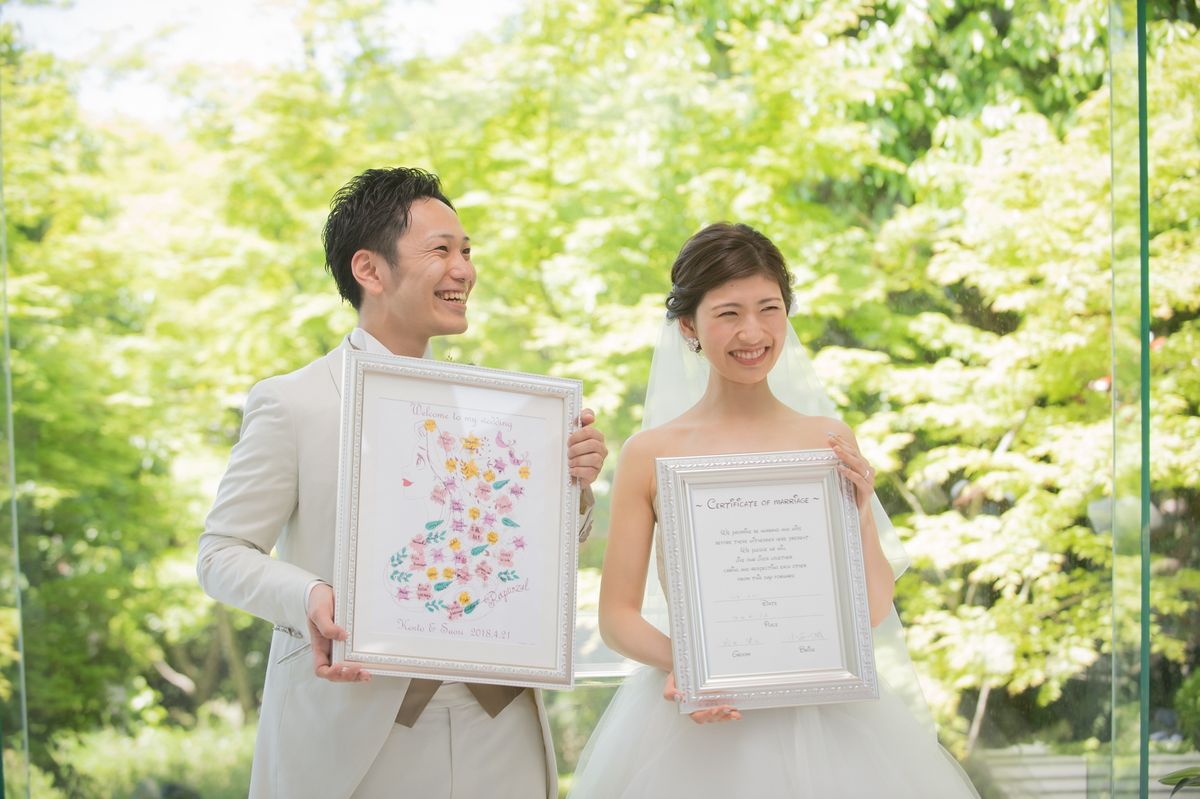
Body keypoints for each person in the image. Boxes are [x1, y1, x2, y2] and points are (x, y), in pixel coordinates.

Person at [197, 167, 608, 799]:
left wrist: (574, 488)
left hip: (502, 724)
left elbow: (526, 553)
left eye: (467, 251)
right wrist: (309, 595)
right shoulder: (294, 401)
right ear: (369, 269)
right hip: (354, 731)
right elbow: (221, 554)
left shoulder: (500, 409)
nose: (463, 270)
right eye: (441, 250)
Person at [567, 222, 978, 798]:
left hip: (827, 720)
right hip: (694, 731)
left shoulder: (828, 440)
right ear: (688, 326)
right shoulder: (649, 453)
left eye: (769, 309)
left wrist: (861, 512)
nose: (753, 332)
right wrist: (694, 668)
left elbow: (872, 608)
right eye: (728, 313)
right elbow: (617, 618)